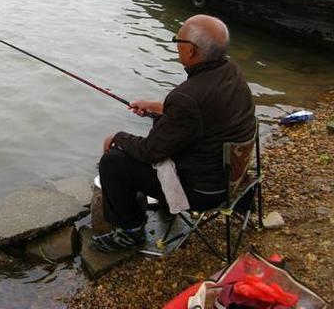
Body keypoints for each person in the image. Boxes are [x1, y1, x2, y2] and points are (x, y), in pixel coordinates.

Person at [91, 14, 256, 253]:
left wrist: (117, 137)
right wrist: (160, 107)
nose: (176, 45)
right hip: (234, 178)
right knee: (139, 147)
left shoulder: (187, 98)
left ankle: (130, 232)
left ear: (191, 51)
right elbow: (202, 113)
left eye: (178, 41)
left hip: (202, 193)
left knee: (113, 161)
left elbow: (150, 152)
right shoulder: (231, 72)